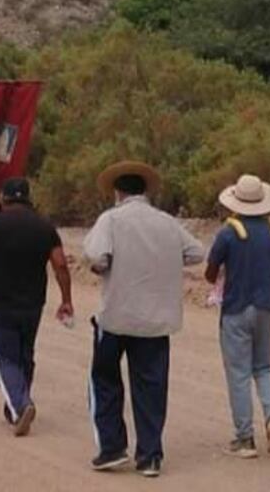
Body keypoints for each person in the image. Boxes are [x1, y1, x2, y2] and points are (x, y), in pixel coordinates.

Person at [82, 161, 205, 478]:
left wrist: (105, 268)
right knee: (151, 386)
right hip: (156, 320)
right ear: (144, 191)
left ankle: (111, 448)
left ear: (117, 192)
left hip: (115, 316)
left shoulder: (110, 219)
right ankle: (150, 456)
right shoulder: (166, 223)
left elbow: (96, 257)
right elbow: (196, 252)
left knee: (105, 378)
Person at [0, 177, 73, 437]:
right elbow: (60, 264)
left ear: (3, 198)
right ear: (28, 198)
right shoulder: (45, 227)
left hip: (1, 301)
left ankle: (21, 403)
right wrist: (66, 299)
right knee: (26, 354)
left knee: (4, 356)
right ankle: (16, 403)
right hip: (33, 303)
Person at [205, 174, 270, 458]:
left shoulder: (229, 232)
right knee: (265, 367)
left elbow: (209, 272)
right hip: (269, 307)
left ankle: (245, 438)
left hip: (237, 308)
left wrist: (221, 272)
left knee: (239, 373)